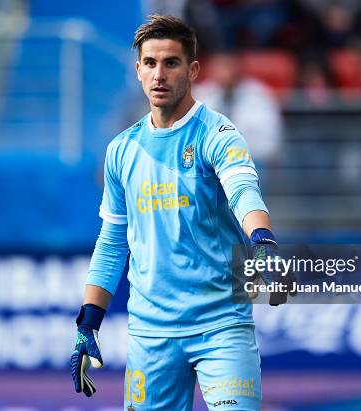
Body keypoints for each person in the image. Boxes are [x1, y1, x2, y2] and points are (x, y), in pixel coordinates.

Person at [70, 14, 291, 411]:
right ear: (138, 70)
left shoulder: (218, 134)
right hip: (150, 337)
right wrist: (88, 321)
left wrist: (263, 243)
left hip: (220, 326)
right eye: (150, 63)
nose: (159, 74)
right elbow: (112, 241)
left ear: (192, 71)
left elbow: (244, 191)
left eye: (171, 63)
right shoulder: (121, 150)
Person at [193, 50, 283, 167]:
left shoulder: (259, 94)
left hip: (249, 158)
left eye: (227, 67)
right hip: (209, 159)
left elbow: (270, 138)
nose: (224, 72)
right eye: (219, 67)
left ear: (238, 68)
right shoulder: (201, 94)